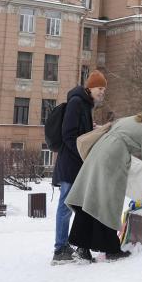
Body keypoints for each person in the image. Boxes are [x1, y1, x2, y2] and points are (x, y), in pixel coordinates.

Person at [65, 103, 142, 260]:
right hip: (113, 158)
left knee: (91, 197)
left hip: (98, 152)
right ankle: (111, 250)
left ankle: (82, 248)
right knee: (109, 202)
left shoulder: (135, 119)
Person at [50, 70, 107, 264]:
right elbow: (68, 135)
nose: (102, 92)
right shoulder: (76, 103)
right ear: (90, 87)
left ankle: (78, 246)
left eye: (103, 89)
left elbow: (78, 132)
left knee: (79, 206)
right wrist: (83, 153)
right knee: (66, 206)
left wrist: (91, 130)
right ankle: (59, 250)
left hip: (78, 164)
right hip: (70, 164)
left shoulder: (85, 104)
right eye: (100, 88)